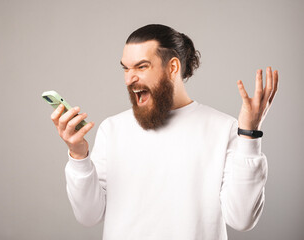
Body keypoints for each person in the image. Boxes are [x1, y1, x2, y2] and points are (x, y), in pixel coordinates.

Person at [50, 24, 278, 240]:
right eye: (126, 68)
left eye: (141, 66)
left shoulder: (224, 128)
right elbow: (89, 216)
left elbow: (242, 219)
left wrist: (249, 135)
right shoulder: (112, 129)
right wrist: (78, 154)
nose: (130, 79)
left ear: (173, 68)